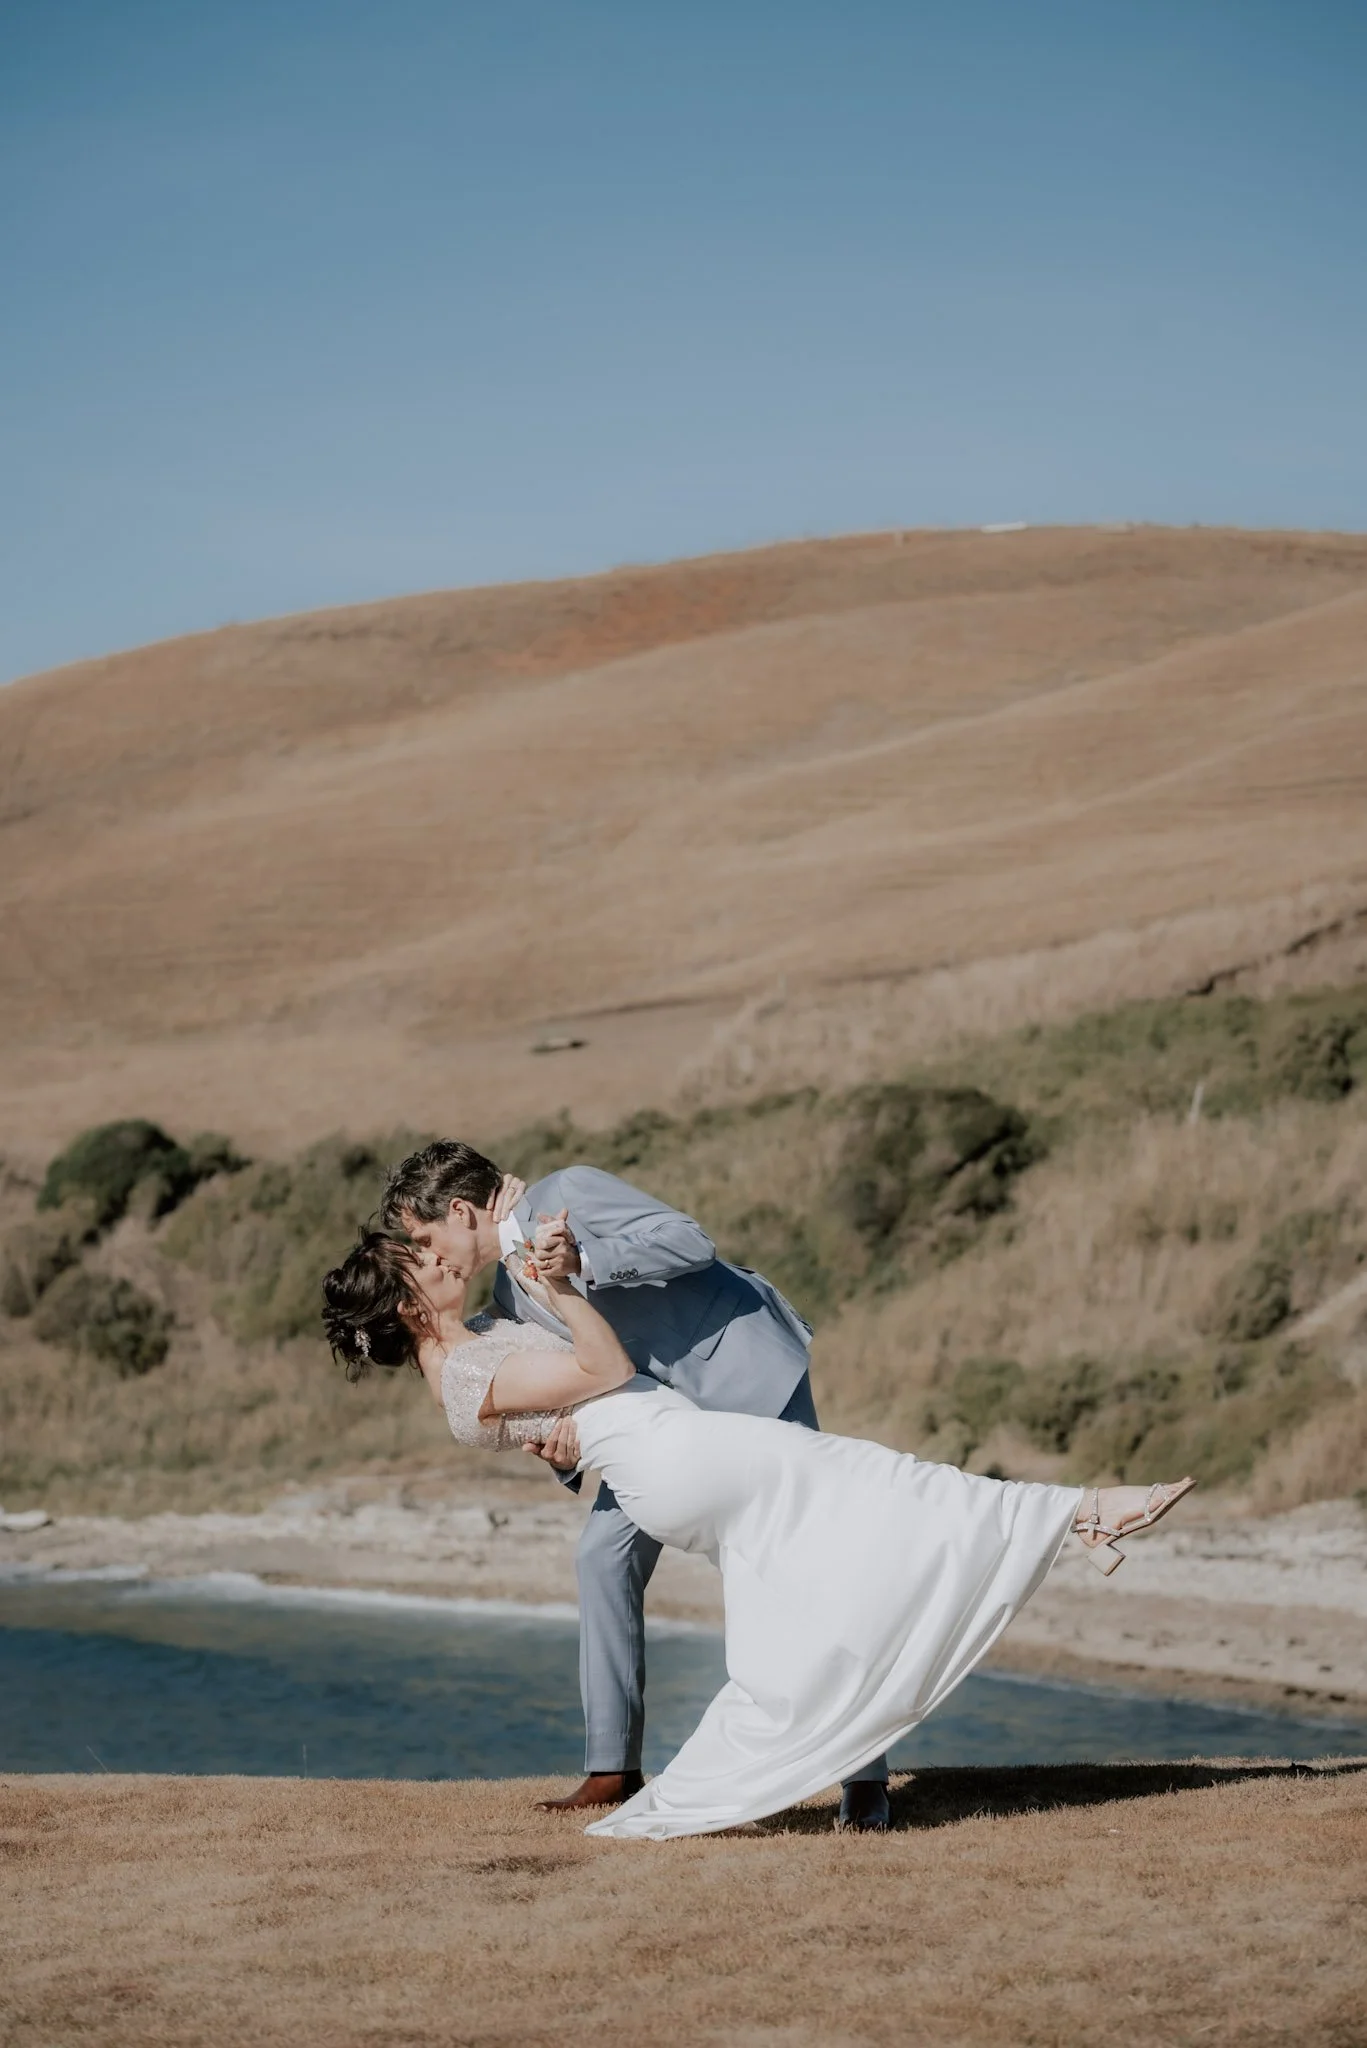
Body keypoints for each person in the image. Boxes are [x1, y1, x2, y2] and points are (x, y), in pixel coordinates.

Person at [322, 1214, 1195, 1842]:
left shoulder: (468, 1353)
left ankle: (1072, 1523)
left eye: (428, 1245)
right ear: (403, 1306)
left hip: (672, 1456)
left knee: (824, 1555)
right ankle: (1081, 1512)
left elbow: (562, 1410)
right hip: (675, 1456)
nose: (434, 1256)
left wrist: (558, 1416)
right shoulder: (463, 1376)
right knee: (874, 1482)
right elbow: (606, 1366)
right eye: (418, 1261)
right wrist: (557, 1286)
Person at [373, 1141, 892, 1829]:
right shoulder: (503, 1297)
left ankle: (866, 1776)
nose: (427, 1254)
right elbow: (566, 1376)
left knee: (806, 1568)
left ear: (460, 1211)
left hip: (743, 1375)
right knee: (601, 1555)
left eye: (423, 1236)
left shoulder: (571, 1191)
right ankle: (611, 1767)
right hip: (667, 1433)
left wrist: (583, 1261)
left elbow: (689, 1241)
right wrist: (560, 1443)